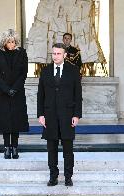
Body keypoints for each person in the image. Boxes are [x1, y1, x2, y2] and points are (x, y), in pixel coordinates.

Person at [37, 43, 82, 186]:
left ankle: (68, 176)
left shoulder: (74, 71)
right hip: (49, 115)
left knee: (68, 148)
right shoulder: (45, 71)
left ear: (65, 55)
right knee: (51, 148)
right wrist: (40, 114)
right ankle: (53, 176)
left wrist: (77, 115)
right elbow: (40, 95)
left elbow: (78, 94)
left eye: (58, 54)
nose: (55, 56)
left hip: (67, 115)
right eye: (53, 53)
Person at [0, 29, 29, 159]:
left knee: (16, 119)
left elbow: (24, 73)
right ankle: (7, 147)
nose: (12, 44)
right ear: (4, 42)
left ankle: (15, 147)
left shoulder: (22, 53)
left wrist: (15, 88)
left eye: (13, 42)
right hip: (2, 92)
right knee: (5, 120)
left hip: (17, 91)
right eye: (9, 42)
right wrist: (7, 89)